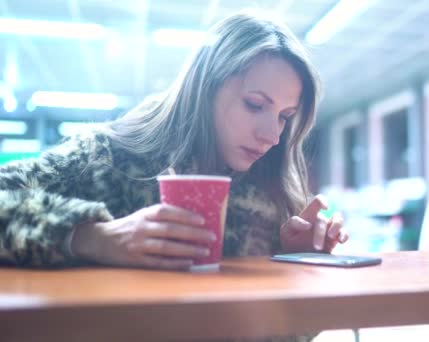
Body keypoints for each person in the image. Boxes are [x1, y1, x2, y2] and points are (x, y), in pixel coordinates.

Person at [0, 12, 348, 271]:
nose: (272, 136)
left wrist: (294, 264)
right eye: (254, 105)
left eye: (284, 117)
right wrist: (92, 238)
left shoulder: (272, 190)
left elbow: (284, 334)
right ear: (205, 88)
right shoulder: (108, 157)